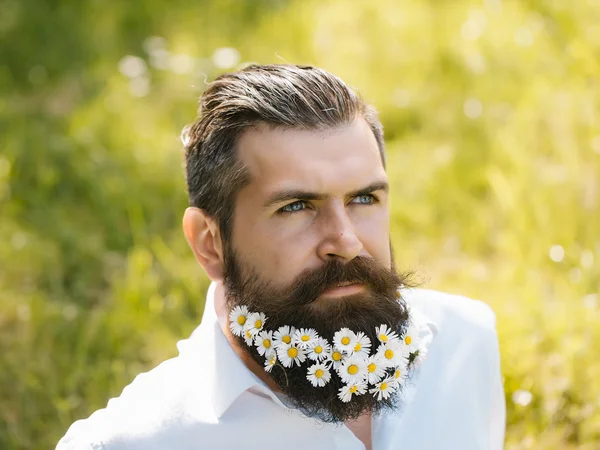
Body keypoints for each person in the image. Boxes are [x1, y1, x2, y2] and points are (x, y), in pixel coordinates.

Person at [56, 64, 505, 450]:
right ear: (209, 243)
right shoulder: (131, 443)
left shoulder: (465, 343)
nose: (344, 241)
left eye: (364, 198)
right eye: (295, 207)